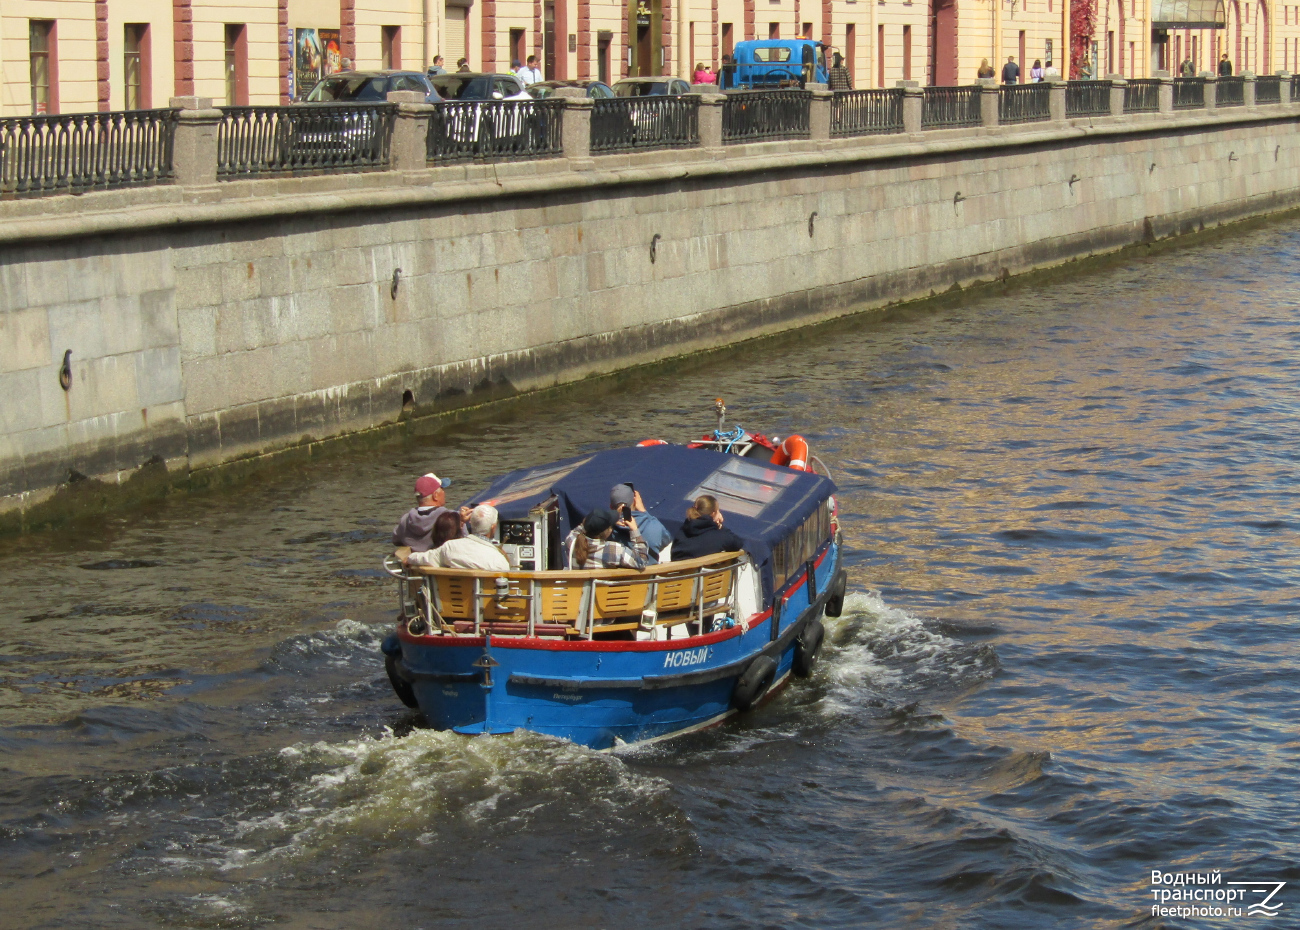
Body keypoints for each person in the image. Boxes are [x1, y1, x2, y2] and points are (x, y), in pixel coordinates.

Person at [407, 505, 511, 571]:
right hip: (483, 605)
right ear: (493, 527)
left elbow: (418, 558)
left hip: (449, 604)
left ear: (470, 522)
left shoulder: (450, 547)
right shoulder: (499, 561)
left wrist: (407, 558)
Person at [392, 473, 469, 551]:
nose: (444, 492)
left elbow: (396, 540)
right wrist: (461, 522)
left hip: (414, 561)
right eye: (442, 488)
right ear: (435, 495)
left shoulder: (405, 520)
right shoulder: (451, 518)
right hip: (441, 561)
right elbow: (465, 544)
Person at [566, 508, 649, 570]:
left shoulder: (571, 540)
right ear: (607, 532)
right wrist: (634, 530)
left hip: (577, 592)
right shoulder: (614, 550)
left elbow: (579, 529)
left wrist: (601, 522)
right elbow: (641, 561)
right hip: (600, 593)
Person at [670, 495, 744, 562]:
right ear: (713, 514)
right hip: (707, 576)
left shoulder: (681, 533)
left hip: (679, 575)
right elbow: (738, 543)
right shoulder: (720, 536)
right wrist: (720, 526)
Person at [608, 483, 671, 560]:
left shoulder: (605, 530)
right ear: (635, 501)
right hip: (652, 571)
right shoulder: (653, 524)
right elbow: (666, 540)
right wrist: (644, 512)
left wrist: (610, 520)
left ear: (611, 506)